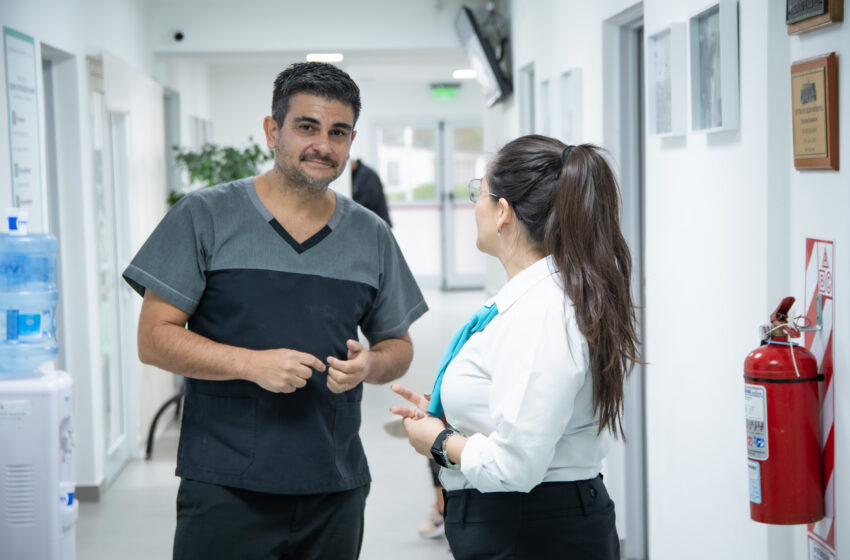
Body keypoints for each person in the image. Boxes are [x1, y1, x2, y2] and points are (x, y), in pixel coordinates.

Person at [123, 62, 427, 560]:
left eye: (338, 132)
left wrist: (370, 365)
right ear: (272, 130)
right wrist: (251, 363)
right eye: (306, 127)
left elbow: (398, 346)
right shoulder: (205, 217)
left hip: (334, 485)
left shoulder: (371, 235)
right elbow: (153, 338)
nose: (322, 145)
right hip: (225, 486)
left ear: (351, 141)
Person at [390, 136, 639, 560]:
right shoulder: (536, 296)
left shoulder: (543, 312)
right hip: (528, 522)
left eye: (478, 193)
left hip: (534, 528)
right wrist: (457, 407)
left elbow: (514, 466)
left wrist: (440, 440)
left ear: (502, 211)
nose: (475, 207)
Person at [350, 158, 392, 226]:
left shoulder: (366, 174)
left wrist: (349, 205)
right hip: (371, 221)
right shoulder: (356, 174)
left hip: (377, 222)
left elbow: (371, 199)